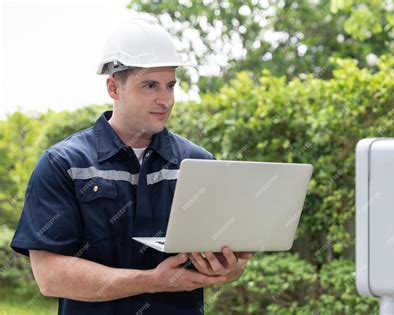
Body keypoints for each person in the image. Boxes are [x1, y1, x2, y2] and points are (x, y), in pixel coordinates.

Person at [10, 16, 252, 315]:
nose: (165, 100)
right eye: (150, 85)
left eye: (170, 85)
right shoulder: (64, 164)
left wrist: (227, 267)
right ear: (114, 88)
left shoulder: (199, 163)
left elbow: (234, 265)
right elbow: (50, 276)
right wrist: (153, 281)